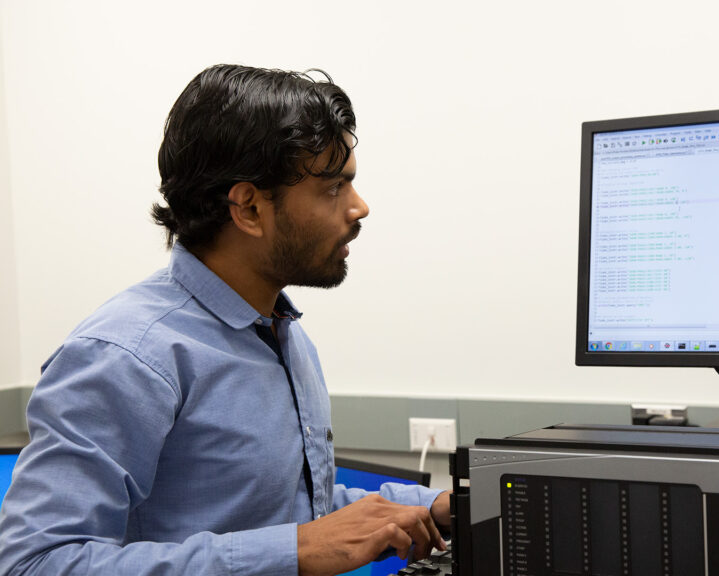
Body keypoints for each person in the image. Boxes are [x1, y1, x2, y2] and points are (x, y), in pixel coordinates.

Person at [0, 64, 450, 576]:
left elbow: (289, 509)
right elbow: (32, 563)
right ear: (250, 209)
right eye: (333, 188)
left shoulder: (281, 333)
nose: (359, 207)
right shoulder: (126, 356)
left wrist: (428, 507)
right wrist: (295, 551)